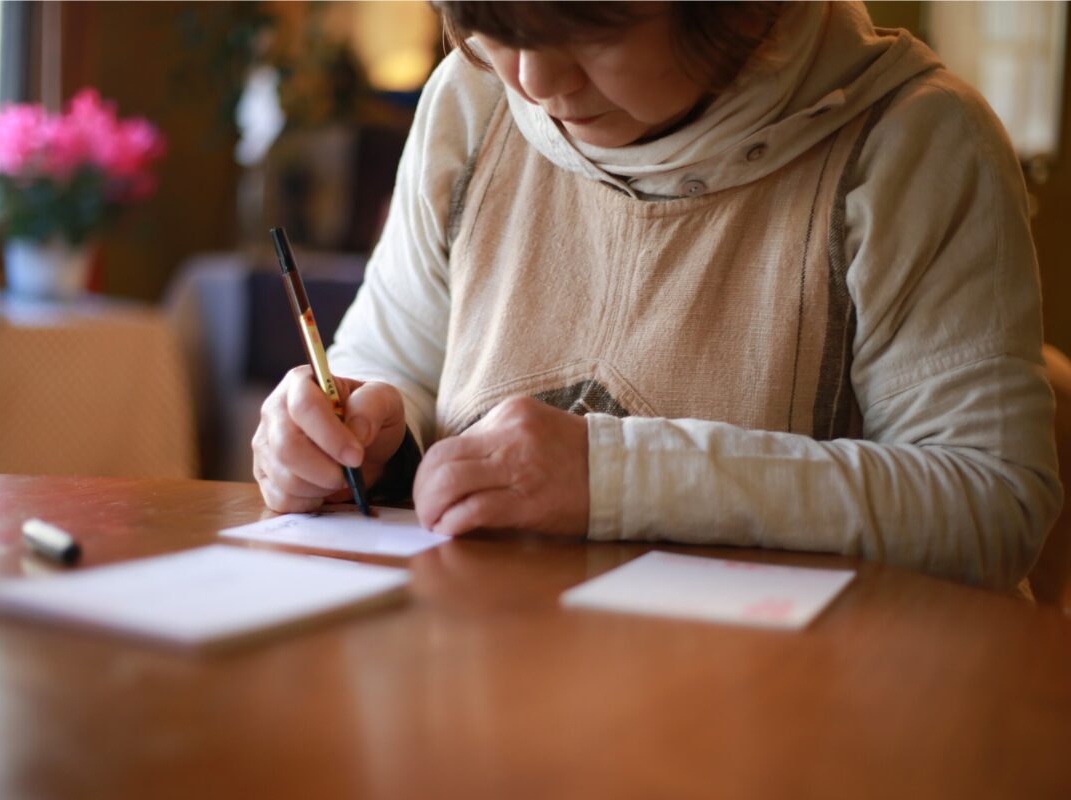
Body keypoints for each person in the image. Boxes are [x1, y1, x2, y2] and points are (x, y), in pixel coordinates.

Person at [251, 1, 1061, 590]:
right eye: (494, 24)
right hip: (483, 683)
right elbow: (389, 364)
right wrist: (348, 435)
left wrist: (616, 478)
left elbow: (988, 503)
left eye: (586, 29)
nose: (534, 80)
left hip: (792, 717)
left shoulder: (912, 141)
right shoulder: (473, 102)